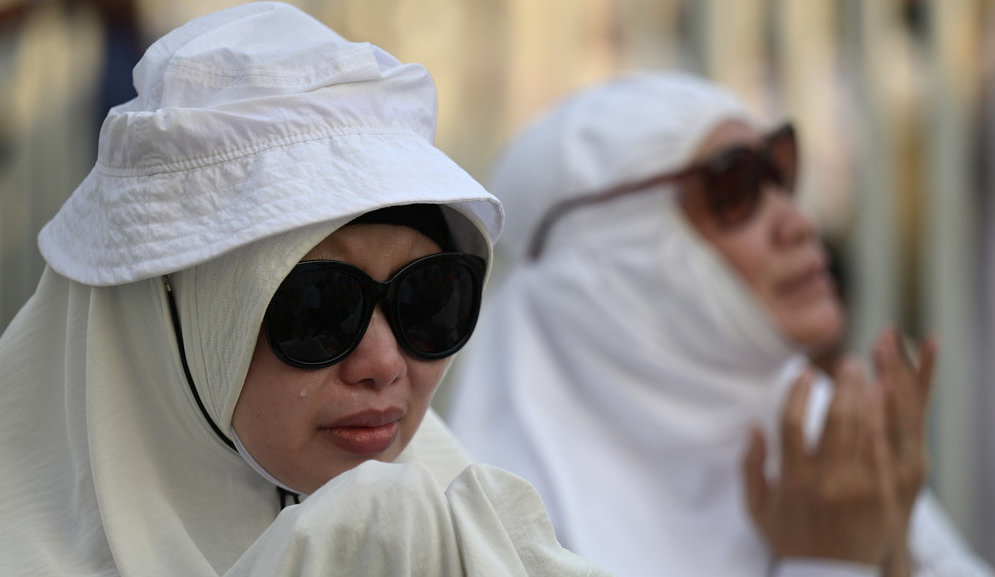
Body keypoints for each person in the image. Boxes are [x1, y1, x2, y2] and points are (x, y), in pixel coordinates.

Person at [0, 3, 609, 575]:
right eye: (319, 308)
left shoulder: (462, 541)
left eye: (429, 298)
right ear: (162, 326)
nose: (384, 365)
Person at [446, 72, 995, 577]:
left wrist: (891, 543)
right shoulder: (492, 531)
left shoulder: (818, 436)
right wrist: (831, 563)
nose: (800, 221)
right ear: (616, 259)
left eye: (780, 173)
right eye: (735, 187)